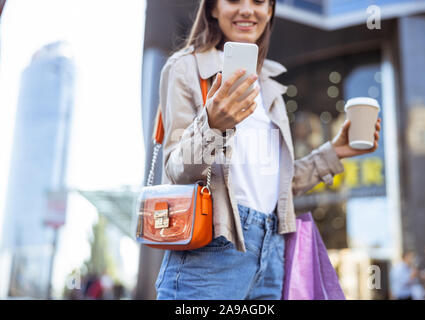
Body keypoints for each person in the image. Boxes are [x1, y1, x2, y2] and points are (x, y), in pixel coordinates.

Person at [155, 0, 381, 300]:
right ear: (212, 8)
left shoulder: (269, 85)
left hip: (272, 252)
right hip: (211, 252)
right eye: (235, 0)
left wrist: (334, 151)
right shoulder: (186, 67)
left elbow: (278, 186)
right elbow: (176, 170)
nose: (248, 10)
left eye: (260, 1)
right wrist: (213, 125)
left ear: (270, 11)